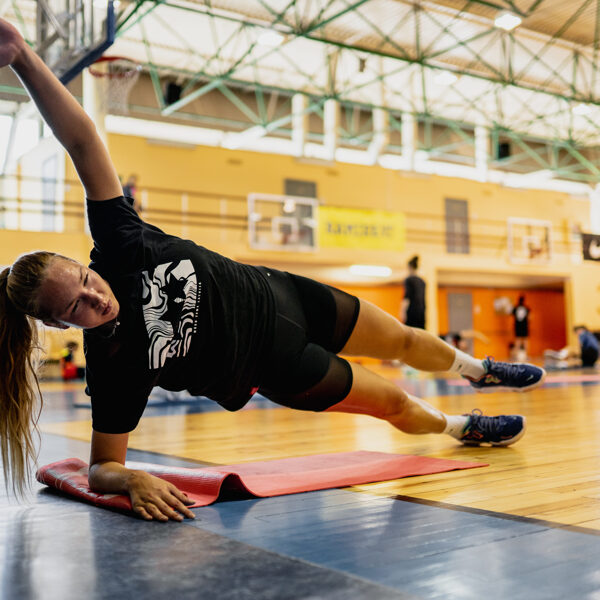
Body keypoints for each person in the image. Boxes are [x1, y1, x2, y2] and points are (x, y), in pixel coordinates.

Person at [0, 20, 546, 521]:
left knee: (401, 338)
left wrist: (22, 55)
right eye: (74, 308)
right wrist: (132, 478)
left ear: (83, 263)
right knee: (393, 402)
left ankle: (480, 368)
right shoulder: (113, 365)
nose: (94, 298)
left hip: (284, 294)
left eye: (85, 282)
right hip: (278, 364)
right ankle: (464, 427)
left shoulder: (118, 244)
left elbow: (81, 139)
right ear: (58, 325)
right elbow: (101, 467)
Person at [400, 255, 426, 329]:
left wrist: (402, 312)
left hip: (411, 312)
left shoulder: (409, 280)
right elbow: (424, 301)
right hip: (421, 313)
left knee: (410, 334)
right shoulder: (422, 281)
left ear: (410, 267)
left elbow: (407, 296)